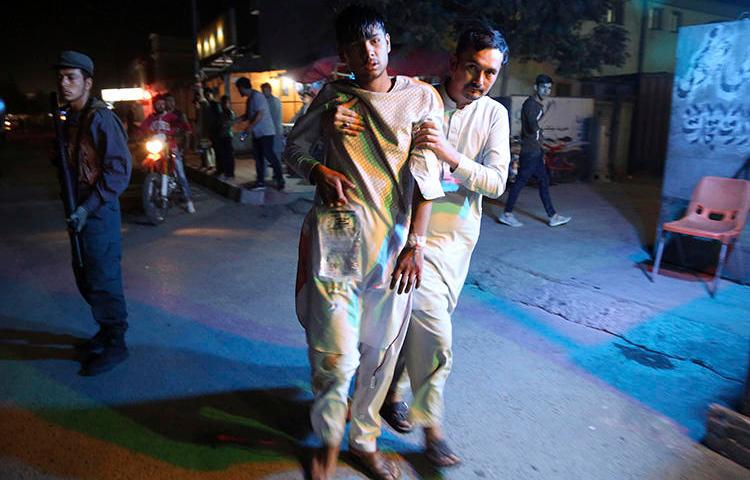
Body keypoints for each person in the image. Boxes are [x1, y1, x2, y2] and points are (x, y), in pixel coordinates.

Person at [331, 23, 511, 467]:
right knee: (429, 331)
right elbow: (369, 122)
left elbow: (497, 182)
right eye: (472, 67)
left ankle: (392, 391)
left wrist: (451, 156)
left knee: (415, 327)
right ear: (453, 63)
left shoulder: (494, 115)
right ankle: (432, 430)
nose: (480, 81)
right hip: (405, 234)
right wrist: (337, 117)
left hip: (455, 244)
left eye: (490, 73)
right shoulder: (419, 98)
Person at [284, 5, 444, 479]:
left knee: (380, 350)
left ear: (388, 43)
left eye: (374, 41)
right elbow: (294, 148)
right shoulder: (333, 98)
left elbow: (428, 175)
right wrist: (319, 168)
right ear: (344, 53)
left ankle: (365, 439)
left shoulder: (420, 99)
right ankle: (330, 439)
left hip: (393, 241)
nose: (367, 52)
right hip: (337, 232)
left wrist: (416, 242)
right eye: (355, 45)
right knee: (336, 350)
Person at [53, 51, 132, 376]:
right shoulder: (72, 118)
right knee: (85, 274)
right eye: (60, 77)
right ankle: (104, 329)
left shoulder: (100, 118)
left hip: (97, 211)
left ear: (88, 82)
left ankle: (116, 343)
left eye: (71, 77)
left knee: (103, 278)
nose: (64, 83)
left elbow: (119, 171)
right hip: (80, 210)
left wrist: (87, 208)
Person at [498, 74, 570, 227]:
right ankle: (507, 213)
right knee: (520, 182)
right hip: (530, 151)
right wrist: (549, 113)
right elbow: (533, 127)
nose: (547, 91)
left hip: (536, 151)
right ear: (536, 87)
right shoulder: (531, 104)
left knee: (543, 181)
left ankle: (553, 216)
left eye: (549, 88)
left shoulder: (537, 105)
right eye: (544, 87)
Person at [140, 94, 196, 213]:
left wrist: (178, 130)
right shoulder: (151, 118)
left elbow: (182, 126)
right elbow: (142, 128)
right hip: (156, 149)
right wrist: (138, 135)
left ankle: (189, 200)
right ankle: (152, 190)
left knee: (180, 174)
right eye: (157, 104)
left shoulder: (171, 117)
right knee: (145, 164)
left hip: (170, 147)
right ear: (154, 106)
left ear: (165, 105)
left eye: (162, 103)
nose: (160, 106)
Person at [235, 77, 285, 191]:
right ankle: (260, 181)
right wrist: (234, 121)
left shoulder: (258, 97)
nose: (239, 92)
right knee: (258, 157)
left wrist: (249, 127)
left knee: (269, 155)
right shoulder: (250, 99)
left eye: (239, 89)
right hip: (257, 133)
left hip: (266, 132)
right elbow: (248, 115)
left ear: (242, 88)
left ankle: (280, 179)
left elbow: (260, 114)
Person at [261, 82, 285, 160]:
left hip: (275, 131)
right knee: (267, 154)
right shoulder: (265, 101)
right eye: (263, 91)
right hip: (269, 131)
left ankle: (277, 171)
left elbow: (271, 116)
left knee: (276, 154)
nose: (264, 93)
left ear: (270, 90)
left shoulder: (275, 101)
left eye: (265, 91)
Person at [214, 95, 236, 179]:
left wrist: (223, 126)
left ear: (229, 103)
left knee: (229, 155)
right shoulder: (221, 113)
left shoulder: (230, 113)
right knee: (222, 154)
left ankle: (230, 173)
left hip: (227, 135)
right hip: (221, 136)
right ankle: (223, 171)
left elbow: (228, 124)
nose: (224, 105)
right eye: (223, 103)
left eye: (226, 103)